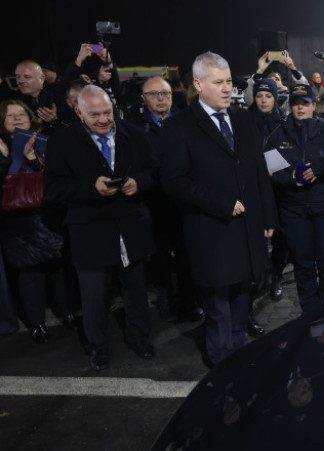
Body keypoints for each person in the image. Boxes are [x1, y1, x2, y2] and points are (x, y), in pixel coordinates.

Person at [160, 52, 279, 365]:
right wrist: (221, 203)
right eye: (219, 82)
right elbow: (174, 181)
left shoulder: (243, 119)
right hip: (211, 229)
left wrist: (268, 215)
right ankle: (221, 360)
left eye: (228, 81)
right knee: (217, 302)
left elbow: (257, 171)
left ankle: (239, 349)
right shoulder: (179, 127)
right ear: (198, 85)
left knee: (243, 294)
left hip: (248, 227)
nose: (227, 88)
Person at [44, 85, 158, 371]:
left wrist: (139, 183)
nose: (104, 120)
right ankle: (98, 349)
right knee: (94, 298)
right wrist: (89, 188)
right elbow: (54, 188)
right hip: (90, 232)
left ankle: (140, 339)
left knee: (136, 292)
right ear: (79, 112)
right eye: (95, 115)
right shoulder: (62, 141)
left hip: (132, 227)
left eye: (108, 112)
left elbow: (154, 171)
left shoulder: (135, 134)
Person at [266, 84, 324, 313]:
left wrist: (320, 167)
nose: (300, 108)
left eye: (305, 103)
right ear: (291, 106)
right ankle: (310, 315)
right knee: (303, 265)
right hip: (293, 211)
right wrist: (290, 179)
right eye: (296, 104)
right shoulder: (277, 136)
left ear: (314, 105)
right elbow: (272, 172)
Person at [128, 76, 202, 323]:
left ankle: (190, 302)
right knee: (159, 259)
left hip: (184, 203)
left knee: (188, 256)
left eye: (165, 93)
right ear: (144, 99)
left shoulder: (187, 120)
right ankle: (166, 301)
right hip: (153, 204)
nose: (160, 98)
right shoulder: (133, 128)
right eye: (153, 94)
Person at [0, 99, 72, 343]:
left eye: (22, 114)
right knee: (30, 273)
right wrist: (16, 157)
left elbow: (57, 174)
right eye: (10, 116)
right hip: (17, 220)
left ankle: (66, 313)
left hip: (47, 214)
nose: (17, 118)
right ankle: (37, 324)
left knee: (56, 267)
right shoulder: (2, 145)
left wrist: (33, 157)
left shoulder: (44, 140)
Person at [250, 77, 290, 303]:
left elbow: (289, 152)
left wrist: (278, 168)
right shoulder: (244, 121)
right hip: (255, 187)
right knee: (257, 235)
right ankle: (259, 276)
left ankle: (276, 276)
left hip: (277, 187)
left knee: (280, 238)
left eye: (268, 96)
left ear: (275, 98)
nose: (263, 101)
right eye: (259, 96)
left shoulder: (282, 121)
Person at [14, 61, 58, 131]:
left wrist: (55, 120)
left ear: (42, 79)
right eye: (18, 77)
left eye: (27, 77)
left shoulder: (56, 96)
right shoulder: (11, 101)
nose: (21, 81)